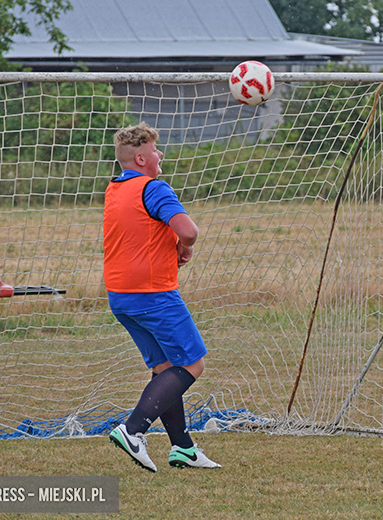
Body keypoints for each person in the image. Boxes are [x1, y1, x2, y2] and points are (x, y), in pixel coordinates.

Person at [104, 122, 220, 472]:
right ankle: (133, 429)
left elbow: (142, 233)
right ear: (141, 158)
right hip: (153, 295)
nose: (160, 154)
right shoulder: (154, 188)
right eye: (155, 150)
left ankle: (183, 448)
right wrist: (184, 244)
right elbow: (190, 231)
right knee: (192, 364)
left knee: (165, 368)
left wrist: (174, 248)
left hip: (121, 295)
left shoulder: (115, 189)